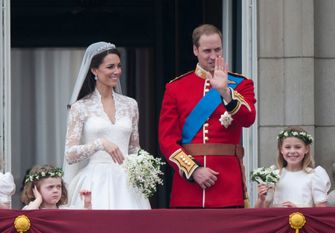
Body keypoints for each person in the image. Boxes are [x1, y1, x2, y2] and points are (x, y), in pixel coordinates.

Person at [158, 24, 256, 208]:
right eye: (207, 51)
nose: (213, 56)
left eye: (218, 50)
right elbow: (167, 139)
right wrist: (193, 170)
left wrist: (226, 92)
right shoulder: (176, 88)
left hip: (227, 184)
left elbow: (248, 119)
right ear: (195, 50)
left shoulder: (241, 84)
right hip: (189, 188)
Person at [64, 41, 151, 209]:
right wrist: (100, 144)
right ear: (94, 70)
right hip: (95, 182)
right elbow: (70, 154)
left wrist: (145, 167)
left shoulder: (130, 104)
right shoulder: (80, 107)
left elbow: (134, 149)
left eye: (119, 66)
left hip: (127, 184)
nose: (116, 71)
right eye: (110, 67)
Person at [255, 127, 331, 208]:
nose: (292, 151)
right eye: (287, 147)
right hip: (278, 220)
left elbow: (321, 210)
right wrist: (261, 199)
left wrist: (297, 210)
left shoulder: (314, 175)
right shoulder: (273, 176)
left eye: (298, 147)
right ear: (281, 149)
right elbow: (261, 211)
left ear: (306, 149)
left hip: (303, 220)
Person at [21, 165, 91, 209]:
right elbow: (25, 218)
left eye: (59, 186)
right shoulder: (33, 208)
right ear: (36, 190)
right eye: (50, 187)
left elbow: (84, 218)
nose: (55, 190)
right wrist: (38, 199)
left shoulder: (65, 210)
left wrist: (87, 203)